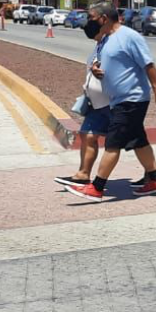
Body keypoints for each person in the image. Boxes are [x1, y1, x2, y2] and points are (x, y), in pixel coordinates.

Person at [64, 1, 156, 202]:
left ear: (104, 18)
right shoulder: (106, 39)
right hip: (117, 100)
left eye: (92, 18)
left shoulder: (129, 37)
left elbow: (148, 64)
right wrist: (96, 70)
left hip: (132, 99)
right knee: (138, 140)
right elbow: (107, 62)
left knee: (113, 144)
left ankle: (97, 187)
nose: (89, 22)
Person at [52, 14, 117, 188]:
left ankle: (152, 174)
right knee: (87, 135)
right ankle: (83, 175)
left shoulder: (115, 44)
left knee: (134, 141)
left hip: (113, 103)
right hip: (96, 104)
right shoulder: (98, 46)